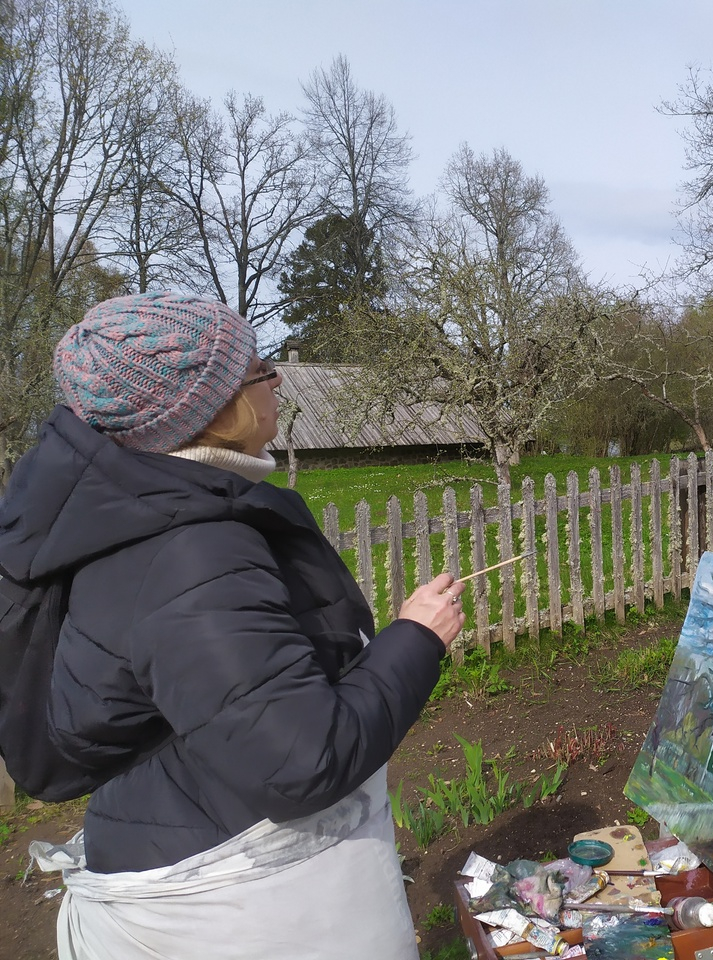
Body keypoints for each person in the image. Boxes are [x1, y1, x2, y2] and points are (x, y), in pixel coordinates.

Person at [0, 291, 465, 959]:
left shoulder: (137, 512)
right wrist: (417, 640)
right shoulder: (188, 553)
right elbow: (302, 762)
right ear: (211, 411)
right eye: (260, 369)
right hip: (237, 907)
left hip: (185, 839)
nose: (277, 381)